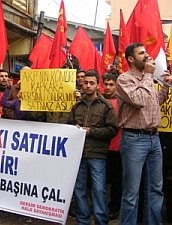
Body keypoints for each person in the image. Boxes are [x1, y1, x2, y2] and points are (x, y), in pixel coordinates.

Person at [116, 43, 171, 225]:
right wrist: (148, 75)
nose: (147, 56)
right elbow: (138, 100)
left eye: (146, 52)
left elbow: (155, 102)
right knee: (132, 193)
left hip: (154, 138)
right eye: (142, 53)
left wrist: (166, 87)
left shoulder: (149, 80)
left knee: (156, 189)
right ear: (131, 59)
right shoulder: (124, 80)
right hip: (134, 140)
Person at [68, 69, 118, 225]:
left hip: (97, 154)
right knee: (79, 189)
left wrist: (91, 131)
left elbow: (112, 130)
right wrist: (73, 129)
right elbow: (69, 126)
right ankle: (82, 220)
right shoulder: (76, 106)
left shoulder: (106, 106)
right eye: (85, 83)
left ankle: (100, 221)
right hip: (79, 154)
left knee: (98, 190)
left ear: (98, 85)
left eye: (92, 83)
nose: (88, 86)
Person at [102, 72, 122, 220]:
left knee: (116, 180)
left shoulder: (123, 101)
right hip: (101, 147)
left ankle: (114, 208)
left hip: (118, 146)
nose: (108, 87)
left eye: (111, 85)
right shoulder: (99, 101)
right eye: (106, 84)